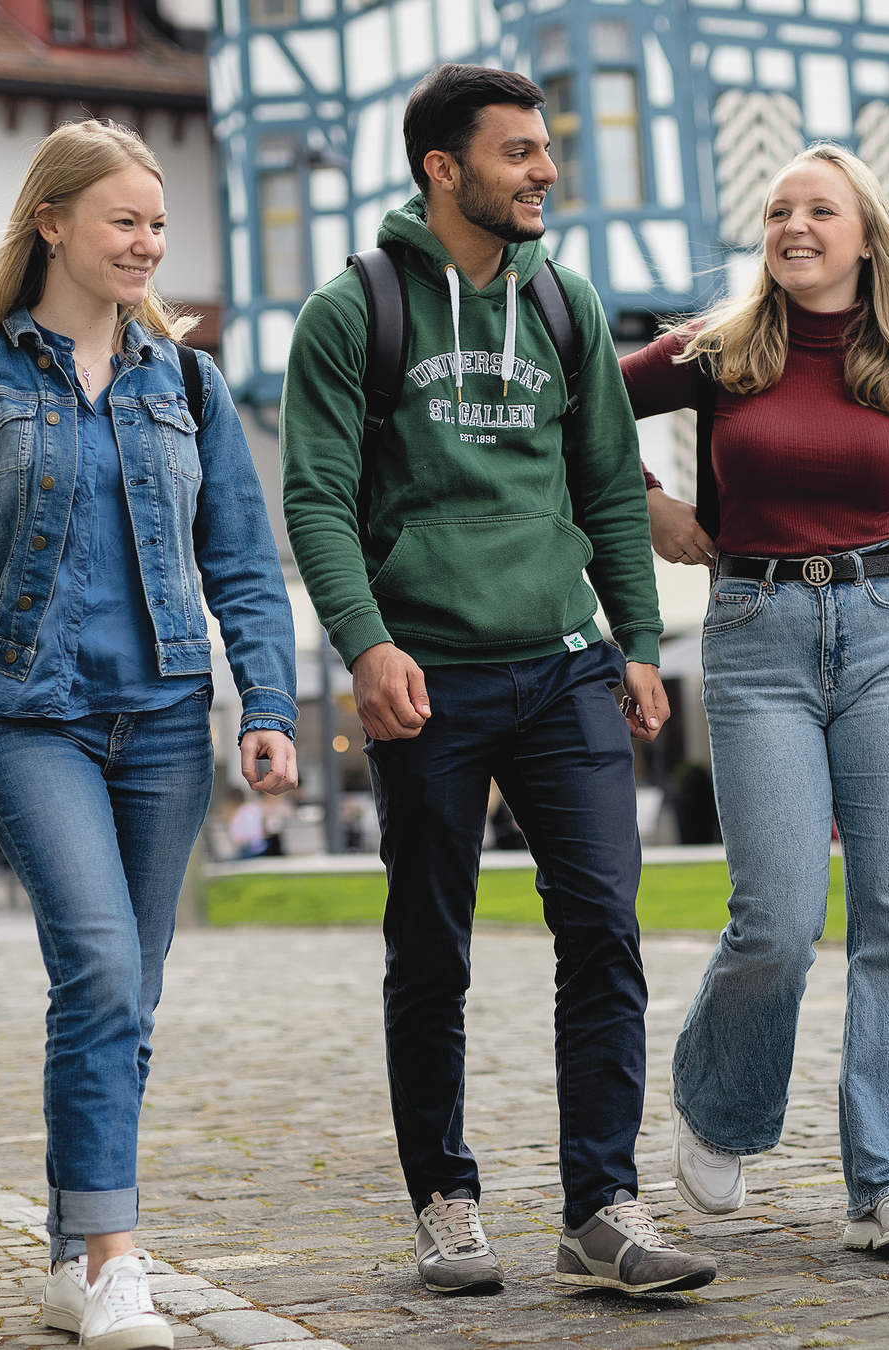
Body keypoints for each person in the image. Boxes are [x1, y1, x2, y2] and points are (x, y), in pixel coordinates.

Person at [279, 65, 711, 1297]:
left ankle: (600, 1208)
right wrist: (367, 644)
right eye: (519, 152)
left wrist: (635, 637)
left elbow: (605, 485)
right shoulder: (353, 313)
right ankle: (446, 1200)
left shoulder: (566, 305)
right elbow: (312, 496)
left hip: (565, 667)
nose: (545, 172)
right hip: (428, 678)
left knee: (606, 931)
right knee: (433, 948)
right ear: (443, 169)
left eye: (544, 150)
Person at [0, 120, 301, 1349]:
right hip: (28, 719)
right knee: (102, 971)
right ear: (54, 224)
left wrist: (270, 707)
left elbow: (240, 556)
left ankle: (75, 1246)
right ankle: (119, 1266)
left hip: (170, 720)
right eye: (124, 220)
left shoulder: (185, 382)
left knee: (128, 996)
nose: (147, 242)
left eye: (159, 223)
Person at [628, 143, 889, 1255]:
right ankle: (720, 1103)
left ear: (863, 235)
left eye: (818, 211)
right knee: (776, 919)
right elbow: (581, 404)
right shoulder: (722, 349)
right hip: (754, 633)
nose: (793, 227)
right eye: (778, 211)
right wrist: (652, 507)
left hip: (885, 629)